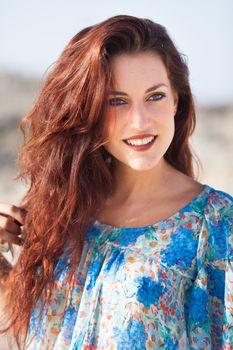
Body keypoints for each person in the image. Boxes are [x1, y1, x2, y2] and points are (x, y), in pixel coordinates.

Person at [0, 14, 232, 350]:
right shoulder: (64, 211)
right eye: (117, 101)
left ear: (176, 101)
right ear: (89, 111)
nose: (140, 121)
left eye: (155, 96)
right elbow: (40, 326)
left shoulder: (213, 224)